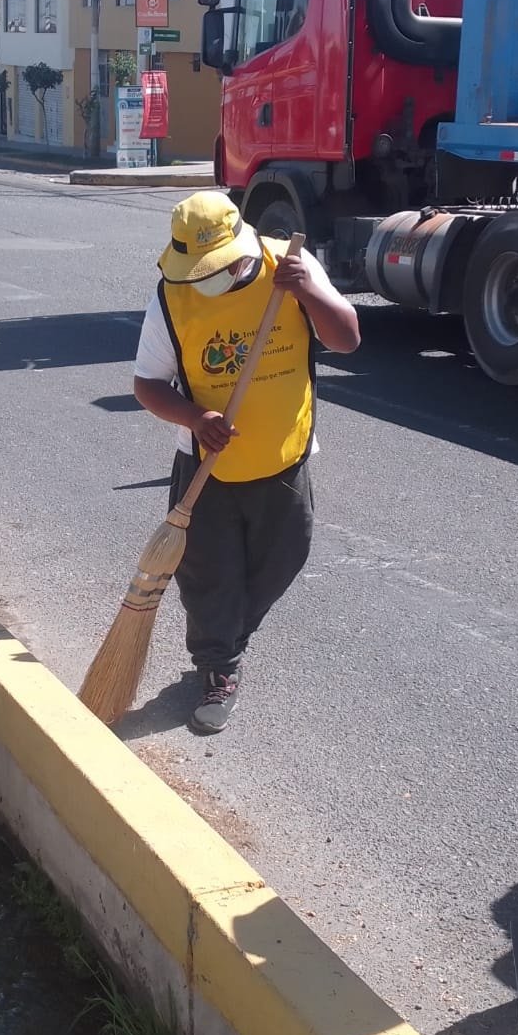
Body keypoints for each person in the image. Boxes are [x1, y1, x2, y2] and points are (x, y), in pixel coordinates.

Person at [133, 191, 359, 734]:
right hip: (207, 468)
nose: (208, 280)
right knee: (207, 575)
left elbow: (347, 338)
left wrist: (309, 293)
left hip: (284, 456)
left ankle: (231, 636)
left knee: (282, 559)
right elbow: (147, 384)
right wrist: (194, 417)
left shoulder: (292, 266)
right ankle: (219, 666)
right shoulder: (172, 297)